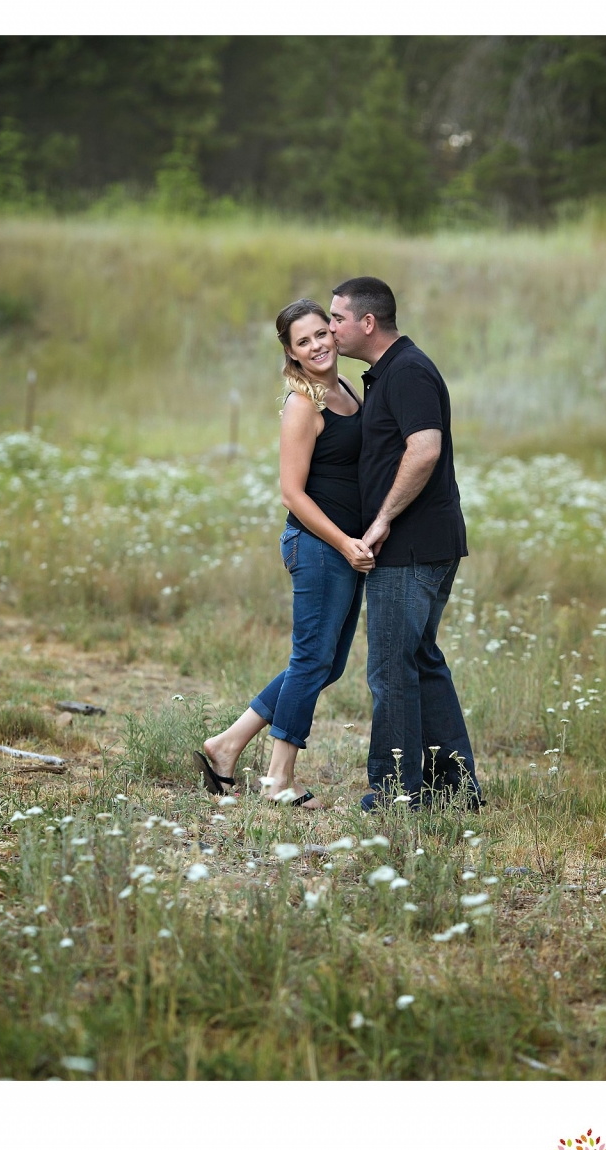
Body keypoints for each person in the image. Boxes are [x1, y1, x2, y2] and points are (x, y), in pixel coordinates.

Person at [193, 298, 374, 809]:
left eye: (322, 333)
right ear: (291, 354)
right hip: (319, 546)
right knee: (311, 659)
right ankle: (278, 781)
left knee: (324, 664)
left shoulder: (345, 392)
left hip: (346, 548)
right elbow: (292, 493)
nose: (317, 345)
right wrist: (344, 542)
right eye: (304, 341)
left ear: (335, 335)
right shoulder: (303, 404)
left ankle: (226, 745)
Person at [328, 276, 482, 810]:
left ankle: (394, 793)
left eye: (337, 319)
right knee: (419, 659)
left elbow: (424, 449)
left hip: (412, 548)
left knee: (391, 670)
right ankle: (455, 790)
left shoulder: (409, 371)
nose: (330, 329)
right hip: (425, 545)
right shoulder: (387, 371)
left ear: (367, 323)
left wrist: (383, 519)